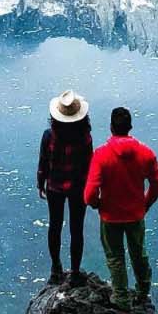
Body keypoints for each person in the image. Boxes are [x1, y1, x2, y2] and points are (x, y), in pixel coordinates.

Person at [84, 105, 158, 307]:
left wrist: (97, 204)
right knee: (139, 253)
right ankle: (143, 291)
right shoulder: (146, 153)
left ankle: (121, 297)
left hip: (110, 217)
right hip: (136, 215)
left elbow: (90, 193)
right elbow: (157, 183)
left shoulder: (101, 155)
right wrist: (145, 204)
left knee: (115, 257)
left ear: (111, 127)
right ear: (130, 127)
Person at [37, 89, 95, 286]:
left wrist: (40, 183)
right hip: (78, 188)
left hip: (55, 187)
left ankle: (56, 269)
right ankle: (76, 272)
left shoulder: (49, 136)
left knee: (55, 226)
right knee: (76, 230)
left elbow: (43, 162)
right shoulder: (85, 137)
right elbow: (90, 166)